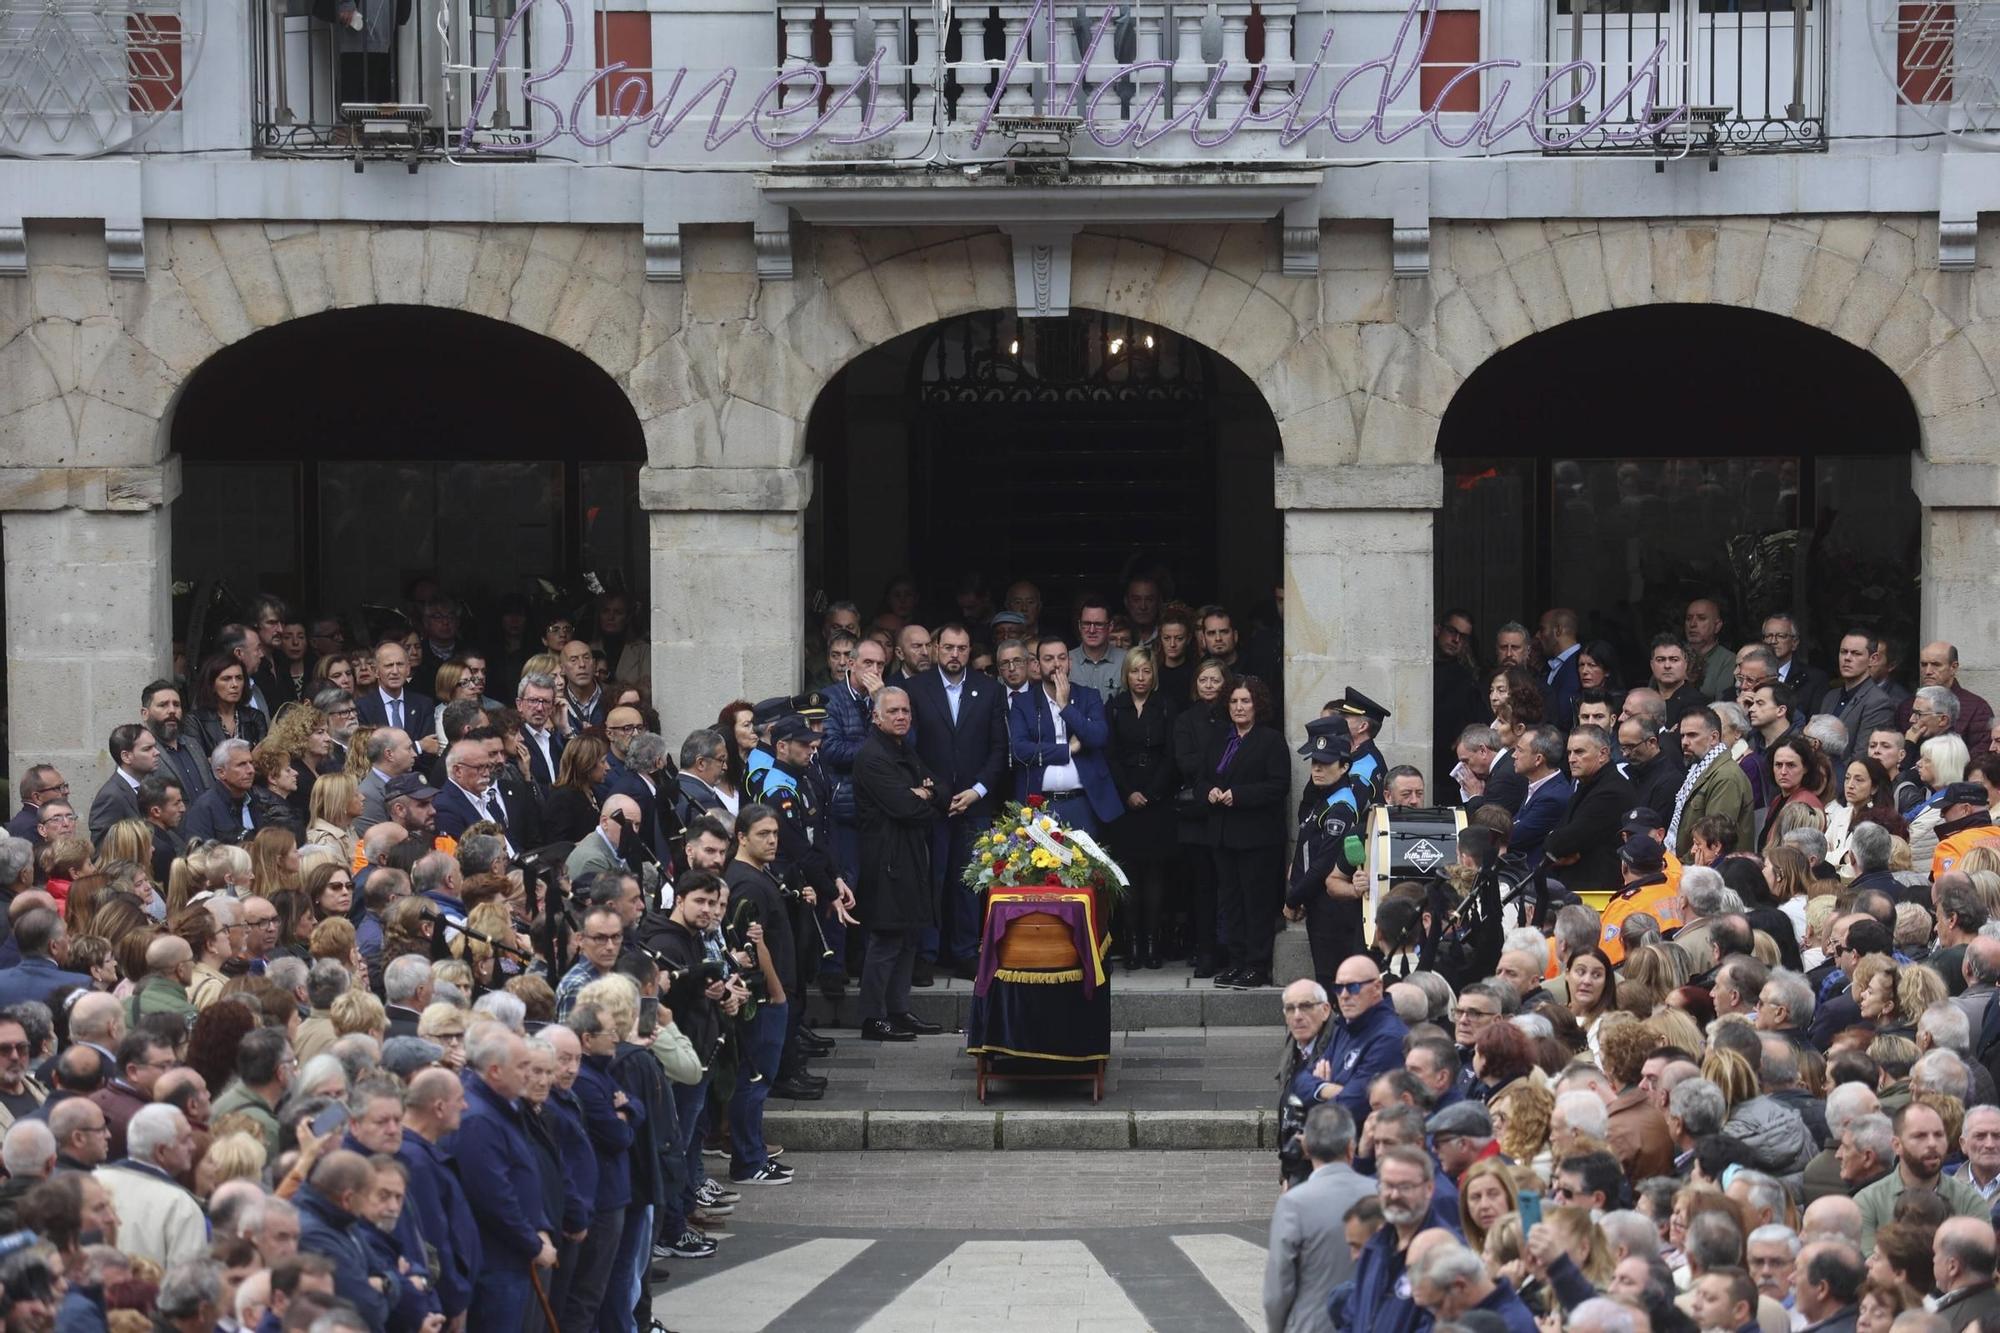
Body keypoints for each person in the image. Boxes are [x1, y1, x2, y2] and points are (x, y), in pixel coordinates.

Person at [906, 621, 1009, 982]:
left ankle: (966, 951)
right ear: (936, 649)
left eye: (962, 649)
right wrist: (937, 792)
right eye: (948, 647)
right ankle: (926, 953)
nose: (955, 655)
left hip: (975, 803)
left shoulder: (990, 690)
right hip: (932, 804)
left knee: (969, 882)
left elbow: (999, 749)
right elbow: (909, 747)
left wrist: (978, 789)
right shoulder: (915, 689)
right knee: (930, 879)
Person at [853, 687, 947, 1043]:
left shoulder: (903, 748)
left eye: (906, 711)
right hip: (887, 858)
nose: (901, 717)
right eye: (893, 711)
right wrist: (920, 796)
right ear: (876, 716)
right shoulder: (872, 756)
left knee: (908, 935)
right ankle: (872, 1017)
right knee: (887, 936)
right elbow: (904, 808)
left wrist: (926, 793)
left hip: (910, 854)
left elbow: (940, 787)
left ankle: (897, 1009)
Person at [1202, 678, 1290, 990]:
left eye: (1246, 701)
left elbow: (1278, 786)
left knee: (1257, 902)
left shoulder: (1271, 740)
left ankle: (1257, 965)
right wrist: (1209, 791)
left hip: (1257, 837)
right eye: (1234, 702)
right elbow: (1202, 776)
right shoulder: (1219, 739)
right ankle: (1236, 962)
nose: (1239, 707)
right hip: (1223, 835)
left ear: (1257, 706)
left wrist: (1238, 795)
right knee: (1230, 902)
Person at [1264, 1102, 1375, 1333]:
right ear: (1350, 1147)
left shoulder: (1294, 1203)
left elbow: (1278, 1287)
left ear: (1307, 1149)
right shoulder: (1378, 1192)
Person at [1104, 647, 1178, 971]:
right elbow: (1109, 755)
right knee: (1128, 875)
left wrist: (1150, 792)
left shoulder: (1165, 706)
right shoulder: (1115, 707)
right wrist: (1128, 792)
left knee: (1155, 874)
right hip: (1125, 798)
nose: (1140, 678)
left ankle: (1152, 942)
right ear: (1126, 674)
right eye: (1135, 671)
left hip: (1157, 798)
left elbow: (1172, 755)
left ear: (1154, 674)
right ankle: (1132, 942)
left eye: (1146, 671)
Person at [1007, 635, 1122, 835]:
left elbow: (1098, 737)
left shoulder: (1089, 696)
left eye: (1061, 658)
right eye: (1048, 659)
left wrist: (1065, 706)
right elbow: (1019, 750)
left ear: (1070, 662)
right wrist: (1067, 750)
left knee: (1089, 865)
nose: (1056, 664)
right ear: (1037, 664)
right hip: (1039, 804)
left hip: (1084, 802)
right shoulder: (1023, 703)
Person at [1545, 725, 1636, 892]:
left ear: (1603, 754)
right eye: (1569, 753)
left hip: (1596, 892)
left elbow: (1561, 843)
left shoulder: (1611, 792)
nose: (1571, 759)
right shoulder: (1587, 786)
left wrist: (1557, 843)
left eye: (1579, 752)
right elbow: (1557, 839)